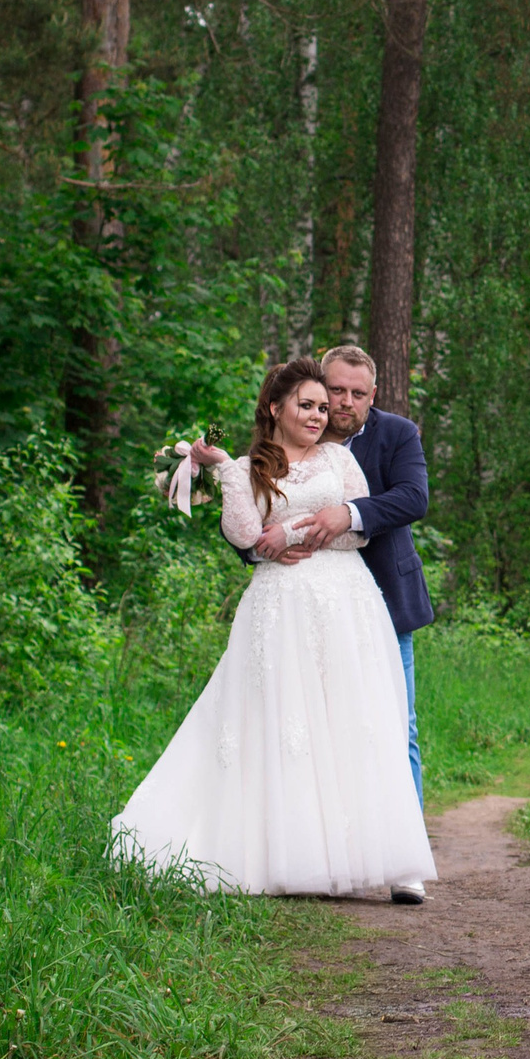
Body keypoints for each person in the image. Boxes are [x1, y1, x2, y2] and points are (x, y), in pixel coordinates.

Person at [111, 359, 437, 899]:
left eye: (326, 405)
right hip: (283, 603)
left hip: (348, 602)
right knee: (286, 723)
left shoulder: (351, 452)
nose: (324, 411)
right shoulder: (248, 466)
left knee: (370, 721)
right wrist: (224, 475)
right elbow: (245, 536)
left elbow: (366, 526)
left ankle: (389, 860)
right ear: (275, 408)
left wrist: (300, 531)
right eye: (312, 402)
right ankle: (293, 852)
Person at [204, 343, 437, 905]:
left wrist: (346, 515)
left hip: (372, 601)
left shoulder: (392, 436)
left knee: (389, 723)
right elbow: (248, 528)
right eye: (333, 392)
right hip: (291, 601)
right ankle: (308, 848)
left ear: (372, 395)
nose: (339, 404)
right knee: (301, 725)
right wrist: (267, 547)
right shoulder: (262, 458)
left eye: (356, 394)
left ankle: (400, 860)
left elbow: (412, 497)